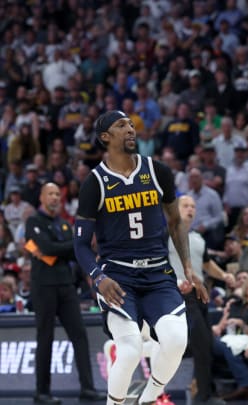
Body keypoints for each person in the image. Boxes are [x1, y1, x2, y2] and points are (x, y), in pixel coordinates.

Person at [73, 110, 208, 405]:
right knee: (131, 349)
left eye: (132, 125)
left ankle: (148, 399)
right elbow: (80, 245)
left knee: (175, 341)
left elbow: (175, 222)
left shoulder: (157, 171)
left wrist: (187, 267)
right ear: (105, 137)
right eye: (121, 125)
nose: (131, 129)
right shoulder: (94, 183)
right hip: (118, 277)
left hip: (158, 273)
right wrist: (99, 276)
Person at [26, 183, 104, 404]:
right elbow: (48, 248)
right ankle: (42, 392)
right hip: (43, 286)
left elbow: (75, 253)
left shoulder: (63, 225)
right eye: (50, 194)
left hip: (66, 285)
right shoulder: (33, 221)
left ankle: (87, 388)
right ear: (41, 197)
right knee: (45, 338)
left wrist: (66, 247)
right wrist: (71, 246)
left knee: (79, 335)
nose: (54, 197)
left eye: (57, 194)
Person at [169, 195, 235, 405]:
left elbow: (206, 265)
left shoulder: (198, 238)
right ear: (175, 209)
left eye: (193, 206)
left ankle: (207, 391)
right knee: (198, 344)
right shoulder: (165, 235)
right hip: (178, 295)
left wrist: (224, 275)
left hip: (200, 295)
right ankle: (202, 396)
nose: (190, 209)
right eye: (186, 206)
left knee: (206, 345)